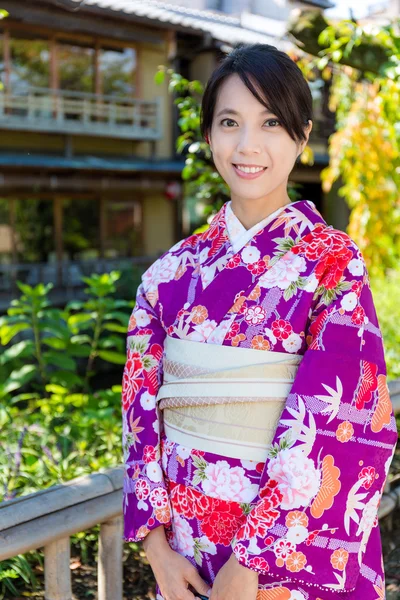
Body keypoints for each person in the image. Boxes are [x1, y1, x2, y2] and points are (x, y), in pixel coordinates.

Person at [121, 43, 397, 600]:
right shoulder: (168, 274)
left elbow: (345, 419)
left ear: (302, 135)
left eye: (271, 122)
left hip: (287, 558)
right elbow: (139, 416)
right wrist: (156, 550)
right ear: (208, 136)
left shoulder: (332, 263)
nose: (248, 146)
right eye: (229, 123)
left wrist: (251, 563)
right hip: (186, 555)